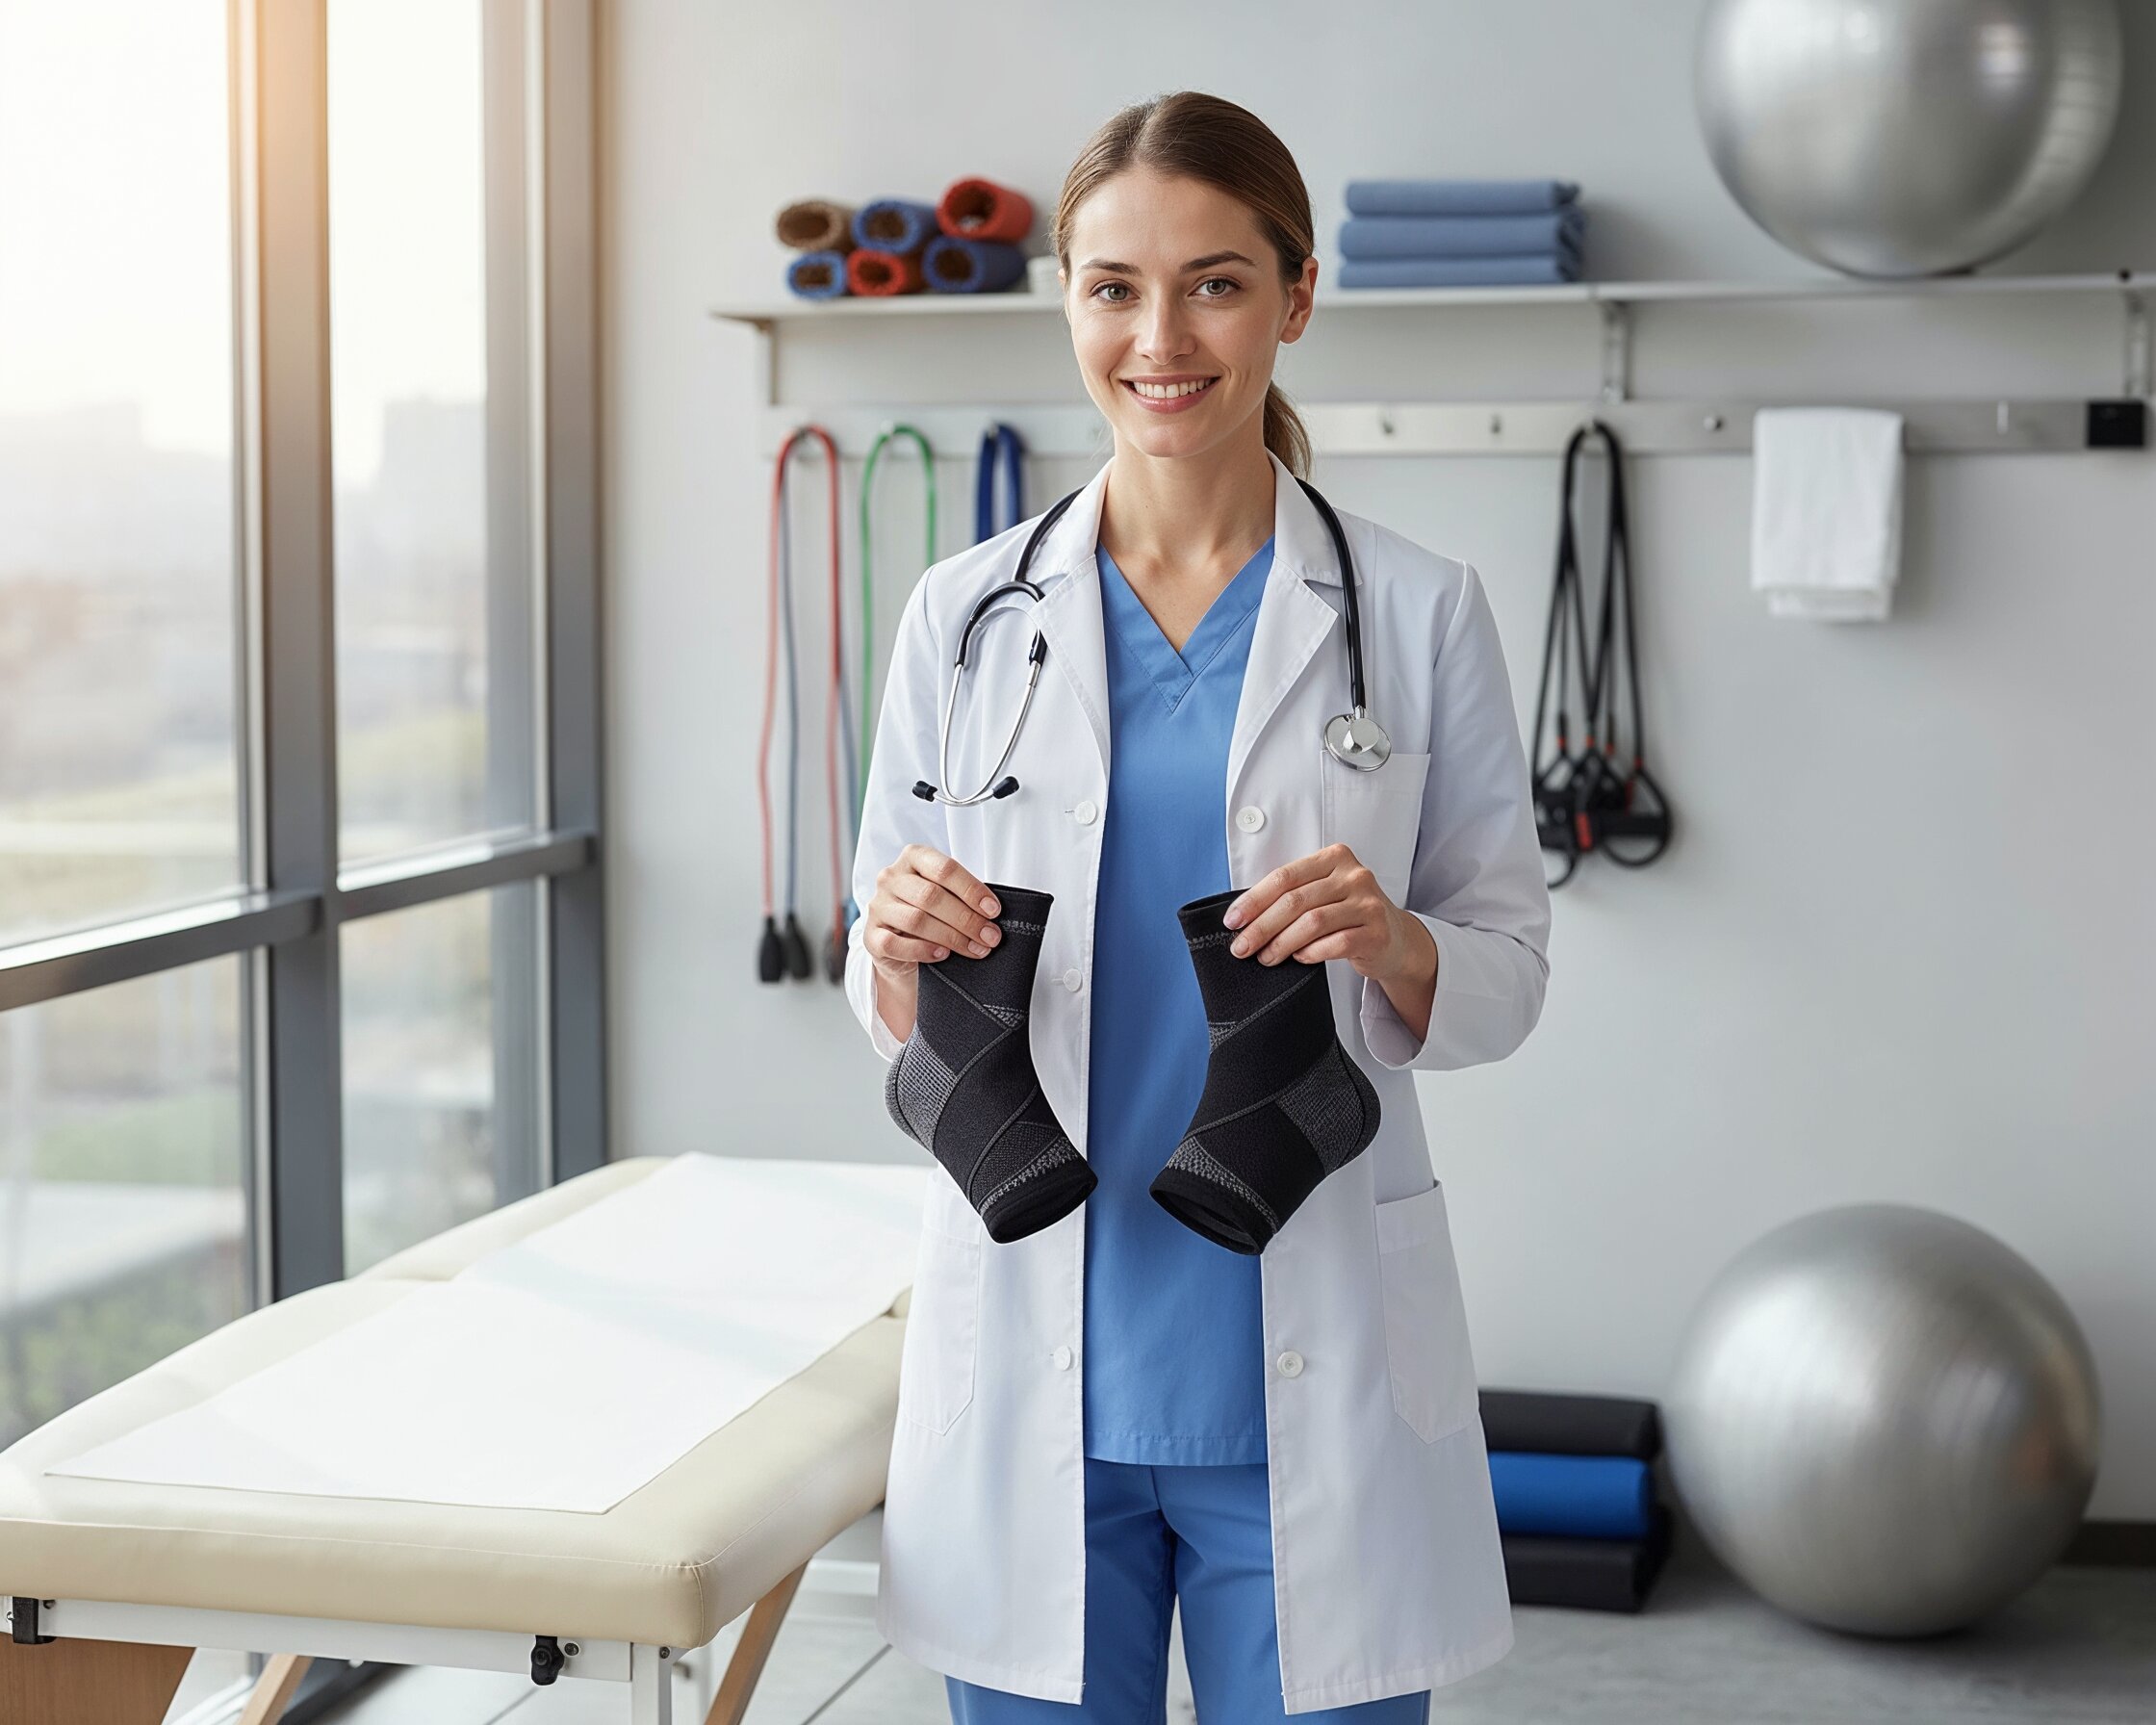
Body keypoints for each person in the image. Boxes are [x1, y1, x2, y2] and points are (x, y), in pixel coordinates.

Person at [844, 90, 1552, 1724]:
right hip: (1042, 1342)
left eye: (1217, 283)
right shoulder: (962, 621)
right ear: (1070, 305)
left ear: (1295, 299)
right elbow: (890, 1009)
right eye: (1114, 288)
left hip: (1306, 1345)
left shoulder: (1421, 612)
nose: (1162, 337)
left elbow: (1508, 974)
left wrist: (1394, 941)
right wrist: (894, 946)